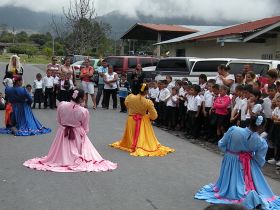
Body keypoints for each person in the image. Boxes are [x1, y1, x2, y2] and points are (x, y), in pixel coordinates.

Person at [195, 114, 280, 210]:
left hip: (229, 159)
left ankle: (229, 189)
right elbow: (259, 160)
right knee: (245, 181)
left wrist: (230, 153)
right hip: (246, 163)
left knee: (230, 177)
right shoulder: (260, 141)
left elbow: (221, 144)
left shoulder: (234, 130)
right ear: (261, 127)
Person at [23, 89, 117, 172]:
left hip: (62, 131)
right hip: (76, 133)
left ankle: (62, 158)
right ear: (80, 99)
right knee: (81, 149)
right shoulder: (83, 111)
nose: (84, 99)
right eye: (84, 97)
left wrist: (66, 125)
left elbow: (59, 120)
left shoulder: (62, 105)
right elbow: (85, 128)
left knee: (60, 149)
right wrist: (81, 131)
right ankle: (73, 158)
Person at [110, 83, 175, 156]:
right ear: (146, 91)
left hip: (131, 119)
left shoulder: (130, 97)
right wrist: (148, 116)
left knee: (131, 133)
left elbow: (126, 104)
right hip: (142, 121)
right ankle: (139, 145)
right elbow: (154, 116)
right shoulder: (148, 102)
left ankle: (130, 144)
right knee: (142, 136)